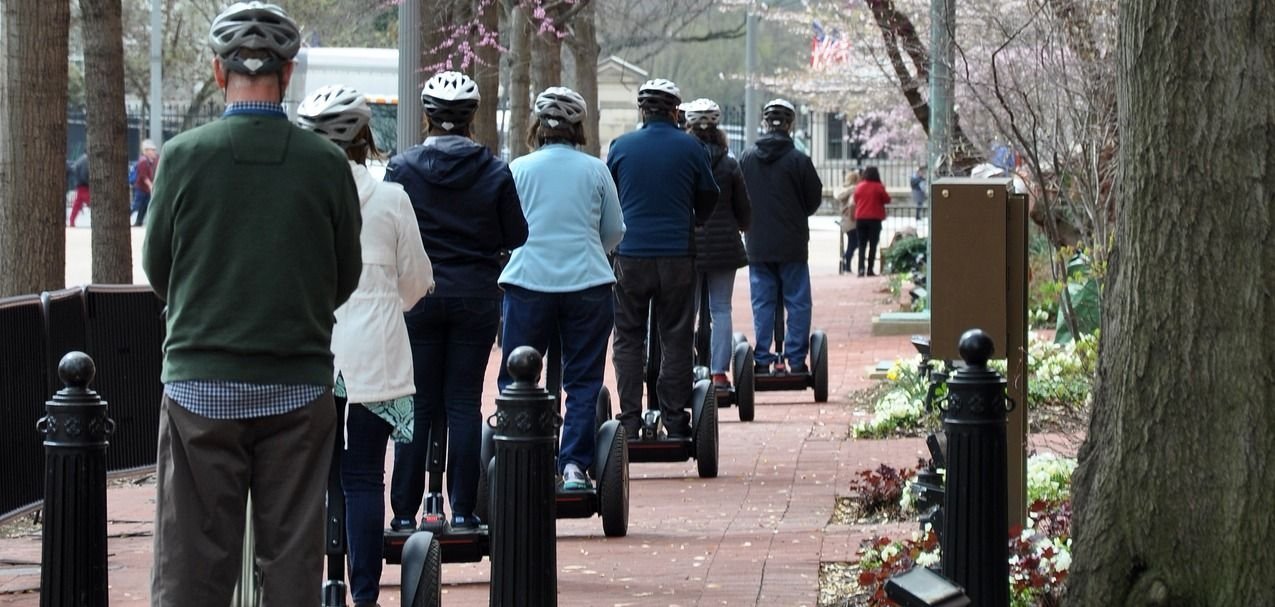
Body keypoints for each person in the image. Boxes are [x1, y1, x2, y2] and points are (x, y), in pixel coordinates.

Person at [141, 3, 363, 605]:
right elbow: (345, 275)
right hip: (296, 383)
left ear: (218, 71)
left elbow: (158, 270)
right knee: (291, 559)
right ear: (288, 74)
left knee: (190, 563)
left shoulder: (183, 158)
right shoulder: (325, 165)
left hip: (199, 386)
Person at [295, 84, 434, 607]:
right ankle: (365, 595)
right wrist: (385, 303)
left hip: (307, 359)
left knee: (308, 480)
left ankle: (309, 587)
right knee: (363, 479)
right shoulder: (392, 199)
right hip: (374, 359)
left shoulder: (294, 199)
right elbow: (417, 281)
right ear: (363, 138)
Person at [385, 70, 527, 532]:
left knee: (418, 401)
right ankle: (464, 510)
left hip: (418, 298)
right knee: (463, 401)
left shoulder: (402, 169)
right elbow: (517, 234)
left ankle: (404, 513)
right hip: (474, 297)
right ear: (472, 118)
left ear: (427, 116)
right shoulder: (494, 170)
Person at [497, 86, 625, 490]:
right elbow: (614, 231)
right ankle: (572, 465)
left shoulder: (517, 169)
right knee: (583, 379)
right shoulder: (595, 170)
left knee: (517, 378)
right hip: (587, 284)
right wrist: (588, 252)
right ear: (578, 128)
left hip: (528, 283)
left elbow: (506, 229)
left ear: (537, 127)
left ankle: (517, 455)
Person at [606, 78, 718, 440]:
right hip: (676, 255)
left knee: (627, 336)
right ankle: (674, 416)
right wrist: (694, 217)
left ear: (643, 111)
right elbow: (707, 197)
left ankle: (629, 418)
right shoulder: (690, 147)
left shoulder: (621, 147)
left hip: (631, 254)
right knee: (677, 334)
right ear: (675, 111)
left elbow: (609, 197)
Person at [738, 98, 823, 374]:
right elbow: (813, 199)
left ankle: (762, 358)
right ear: (790, 125)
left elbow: (738, 197)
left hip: (757, 242)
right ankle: (796, 360)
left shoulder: (747, 158)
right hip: (792, 242)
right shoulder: (799, 160)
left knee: (762, 301)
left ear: (765, 123)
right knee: (797, 301)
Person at [682, 97, 751, 392]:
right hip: (725, 245)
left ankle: (686, 369)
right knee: (721, 308)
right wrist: (740, 225)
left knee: (689, 310)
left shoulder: (682, 159)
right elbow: (744, 210)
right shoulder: (730, 162)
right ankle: (719, 372)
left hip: (690, 245)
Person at [853, 165, 892, 277]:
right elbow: (887, 199)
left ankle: (861, 269)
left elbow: (856, 199)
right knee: (873, 245)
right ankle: (870, 269)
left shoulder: (859, 186)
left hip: (861, 218)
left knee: (862, 244)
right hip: (875, 218)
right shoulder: (879, 187)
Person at [835, 169, 860, 274]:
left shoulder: (843, 189)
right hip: (851, 219)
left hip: (847, 219)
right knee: (854, 242)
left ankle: (846, 262)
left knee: (853, 242)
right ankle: (846, 263)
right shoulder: (851, 189)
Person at [131, 140, 160, 227]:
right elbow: (143, 177)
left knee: (144, 206)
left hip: (146, 189)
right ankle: (125, 219)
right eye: (152, 150)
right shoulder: (143, 161)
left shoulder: (152, 161)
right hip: (141, 189)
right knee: (136, 205)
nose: (154, 152)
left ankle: (138, 222)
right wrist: (151, 186)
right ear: (146, 151)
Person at [69, 152, 90, 227]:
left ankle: (72, 220)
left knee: (77, 204)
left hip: (80, 184)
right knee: (92, 202)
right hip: (84, 185)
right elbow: (84, 174)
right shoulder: (86, 160)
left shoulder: (81, 159)